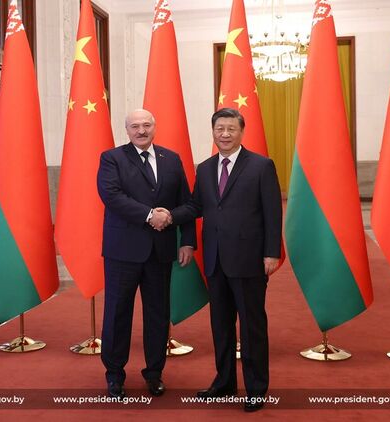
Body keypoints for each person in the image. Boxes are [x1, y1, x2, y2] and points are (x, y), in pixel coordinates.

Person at [166, 107, 282, 412]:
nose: (225, 134)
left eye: (231, 129)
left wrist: (272, 252)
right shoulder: (205, 168)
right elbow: (195, 206)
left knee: (252, 327)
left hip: (249, 260)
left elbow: (272, 212)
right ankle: (224, 382)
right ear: (213, 132)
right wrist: (168, 216)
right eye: (220, 129)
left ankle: (256, 389)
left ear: (241, 132)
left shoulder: (261, 166)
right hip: (215, 260)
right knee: (221, 325)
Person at [96, 108, 195, 399]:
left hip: (160, 252)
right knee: (117, 314)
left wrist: (187, 241)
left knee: (158, 314)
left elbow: (186, 203)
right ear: (126, 130)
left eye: (147, 125)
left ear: (154, 126)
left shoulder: (171, 159)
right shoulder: (112, 158)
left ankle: (154, 373)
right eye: (135, 126)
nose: (141, 130)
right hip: (122, 252)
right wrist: (151, 215)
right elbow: (112, 196)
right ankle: (115, 375)